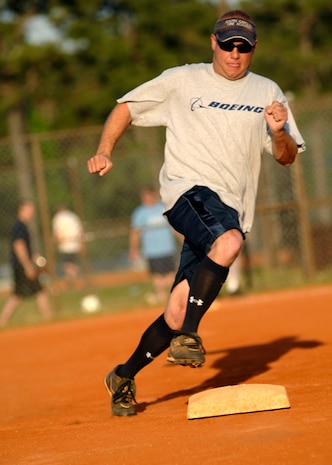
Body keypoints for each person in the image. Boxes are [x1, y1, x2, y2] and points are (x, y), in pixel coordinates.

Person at [87, 10, 306, 416]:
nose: (234, 53)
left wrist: (278, 132)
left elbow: (287, 158)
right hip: (186, 192)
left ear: (253, 49)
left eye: (243, 47)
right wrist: (104, 150)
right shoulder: (182, 80)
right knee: (229, 241)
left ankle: (123, 374)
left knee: (176, 306)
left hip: (230, 207)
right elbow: (125, 107)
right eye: (227, 44)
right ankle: (190, 335)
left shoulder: (267, 91)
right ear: (213, 43)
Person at [0, 199, 52, 327]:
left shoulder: (22, 226)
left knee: (20, 295)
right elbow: (19, 246)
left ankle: (2, 321)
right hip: (22, 265)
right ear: (22, 209)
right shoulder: (19, 226)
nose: (32, 212)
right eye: (30, 209)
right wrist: (28, 266)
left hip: (21, 264)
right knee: (35, 292)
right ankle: (49, 319)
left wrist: (35, 259)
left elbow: (26, 249)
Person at [129, 186, 178, 304]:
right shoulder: (140, 213)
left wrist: (183, 238)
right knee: (156, 275)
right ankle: (160, 296)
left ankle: (164, 293)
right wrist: (133, 249)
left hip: (167, 248)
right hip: (152, 251)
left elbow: (174, 227)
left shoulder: (163, 208)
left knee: (172, 273)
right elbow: (135, 233)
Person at [52, 205, 84, 283]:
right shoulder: (73, 216)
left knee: (67, 261)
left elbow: (57, 230)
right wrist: (81, 242)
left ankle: (72, 275)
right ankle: (73, 275)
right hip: (74, 242)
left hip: (65, 243)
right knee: (71, 260)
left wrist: (56, 239)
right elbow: (79, 229)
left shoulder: (58, 217)